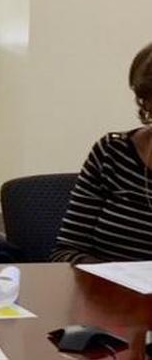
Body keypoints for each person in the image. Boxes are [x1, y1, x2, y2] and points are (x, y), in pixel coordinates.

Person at [51, 42, 152, 263]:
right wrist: (113, 280)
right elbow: (65, 251)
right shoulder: (111, 152)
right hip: (105, 292)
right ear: (146, 103)